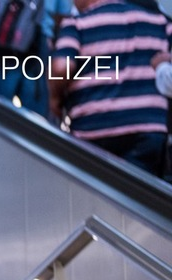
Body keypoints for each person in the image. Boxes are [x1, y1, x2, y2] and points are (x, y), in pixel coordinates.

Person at [50, 0, 170, 175]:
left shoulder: (78, 23)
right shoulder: (159, 22)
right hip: (147, 129)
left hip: (93, 129)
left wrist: (54, 99)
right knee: (139, 195)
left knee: (93, 194)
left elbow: (61, 67)